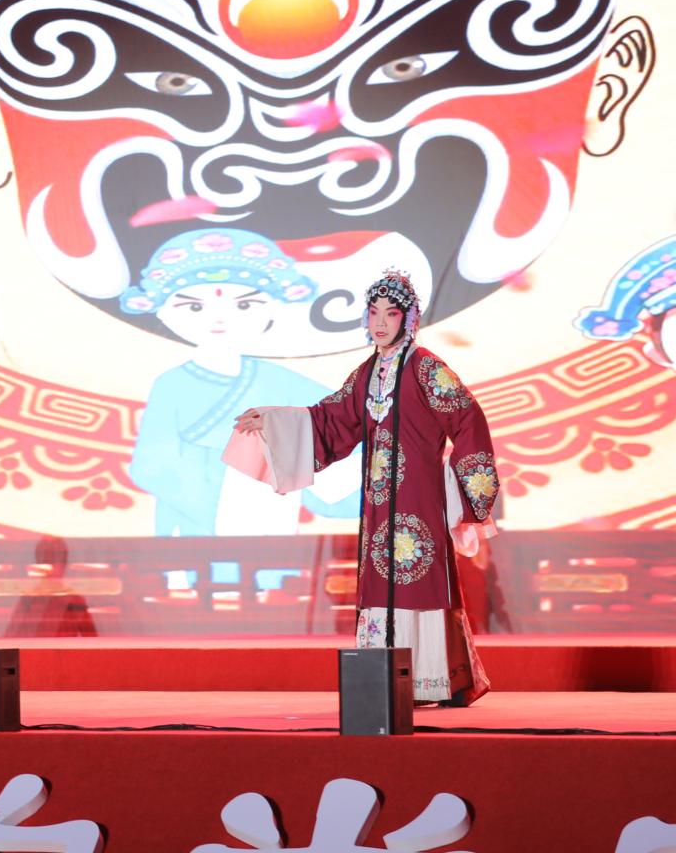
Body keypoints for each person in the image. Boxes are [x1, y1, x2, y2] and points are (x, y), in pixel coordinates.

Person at [231, 271, 500, 705]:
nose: (380, 322)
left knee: (420, 580)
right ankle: (386, 684)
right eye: (373, 313)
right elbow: (330, 419)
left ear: (408, 319)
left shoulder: (426, 367)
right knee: (380, 583)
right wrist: (273, 420)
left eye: (390, 314)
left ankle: (431, 679)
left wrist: (462, 483)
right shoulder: (368, 373)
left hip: (420, 498)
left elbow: (468, 418)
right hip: (378, 504)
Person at [120, 229, 359, 537]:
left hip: (267, 518)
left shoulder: (283, 382)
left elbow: (346, 426)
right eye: (195, 307)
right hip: (191, 523)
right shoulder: (172, 384)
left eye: (244, 306)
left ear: (273, 308)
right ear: (163, 313)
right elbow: (153, 462)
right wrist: (226, 483)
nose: (219, 318)